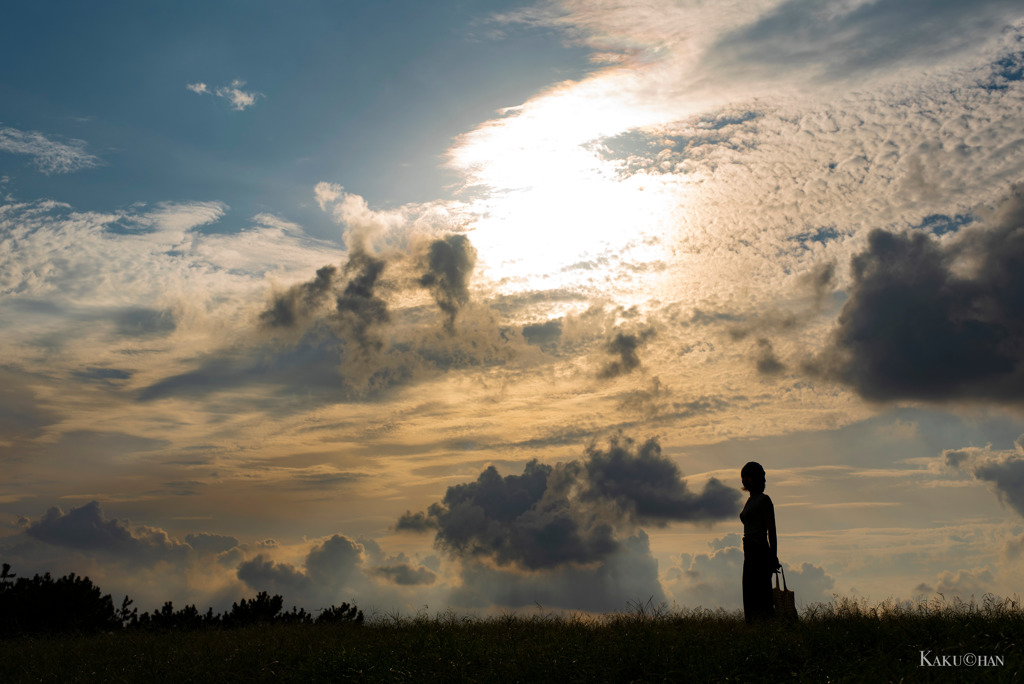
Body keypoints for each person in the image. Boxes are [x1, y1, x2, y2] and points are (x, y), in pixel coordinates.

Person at [739, 461, 779, 623]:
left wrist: (773, 557)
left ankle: (766, 626)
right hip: (749, 551)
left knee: (761, 595)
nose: (744, 481)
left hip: (760, 551)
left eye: (748, 478)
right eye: (743, 478)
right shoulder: (750, 500)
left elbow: (772, 531)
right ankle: (754, 627)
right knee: (749, 593)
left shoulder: (764, 500)